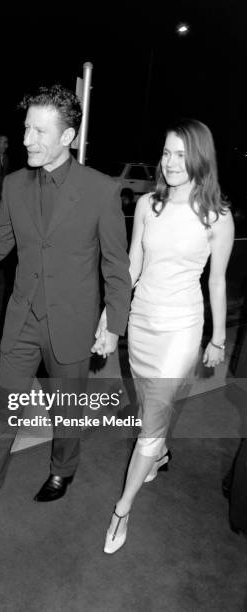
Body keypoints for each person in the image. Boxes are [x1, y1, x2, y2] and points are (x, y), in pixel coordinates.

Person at [0, 84, 131, 529]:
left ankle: (63, 469)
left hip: (72, 326)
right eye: (25, 129)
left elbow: (117, 266)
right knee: (3, 411)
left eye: (39, 131)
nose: (27, 140)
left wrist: (114, 323)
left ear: (68, 137)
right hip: (21, 323)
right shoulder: (15, 185)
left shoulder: (101, 190)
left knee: (67, 410)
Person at [93, 118, 234, 554]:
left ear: (199, 159)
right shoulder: (149, 206)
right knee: (152, 406)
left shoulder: (217, 216)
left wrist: (217, 339)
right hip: (142, 324)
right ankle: (161, 452)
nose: (171, 162)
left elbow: (217, 282)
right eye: (166, 153)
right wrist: (110, 316)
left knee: (149, 424)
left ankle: (123, 508)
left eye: (181, 154)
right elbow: (133, 266)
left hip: (181, 329)